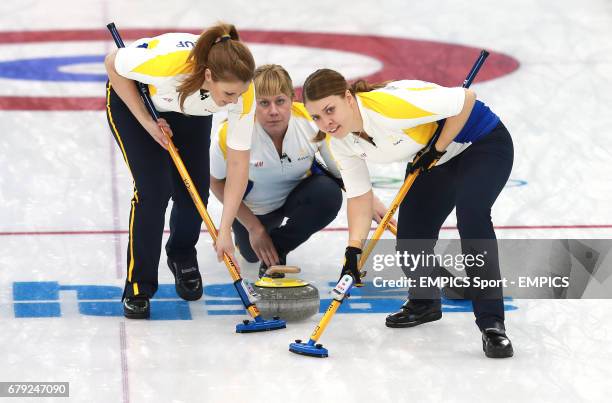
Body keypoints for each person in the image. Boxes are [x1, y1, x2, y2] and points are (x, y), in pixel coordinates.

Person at [302, 69, 514, 358]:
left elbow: (466, 99)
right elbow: (360, 198)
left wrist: (437, 148)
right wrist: (353, 252)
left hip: (481, 142)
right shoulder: (339, 141)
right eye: (316, 116)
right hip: (435, 159)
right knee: (412, 239)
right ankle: (425, 301)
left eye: (330, 110)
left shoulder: (388, 107)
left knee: (472, 217)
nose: (326, 122)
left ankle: (492, 324)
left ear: (348, 99)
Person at [104, 23, 256, 319]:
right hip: (136, 101)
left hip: (190, 111)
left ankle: (182, 254)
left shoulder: (240, 91)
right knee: (154, 191)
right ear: (208, 76)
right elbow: (112, 63)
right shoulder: (168, 67)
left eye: (239, 94)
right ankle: (139, 284)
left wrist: (224, 230)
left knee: (194, 191)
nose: (234, 102)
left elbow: (238, 164)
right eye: (228, 94)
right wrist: (148, 123)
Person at [210, 64, 392, 279]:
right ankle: (263, 235)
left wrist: (368, 199)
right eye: (264, 103)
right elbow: (216, 182)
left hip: (298, 196)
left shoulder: (312, 120)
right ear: (252, 104)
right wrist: (254, 228)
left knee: (328, 193)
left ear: (291, 98)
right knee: (251, 255)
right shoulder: (231, 133)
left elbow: (340, 169)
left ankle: (279, 246)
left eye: (280, 101)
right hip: (256, 209)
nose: (273, 111)